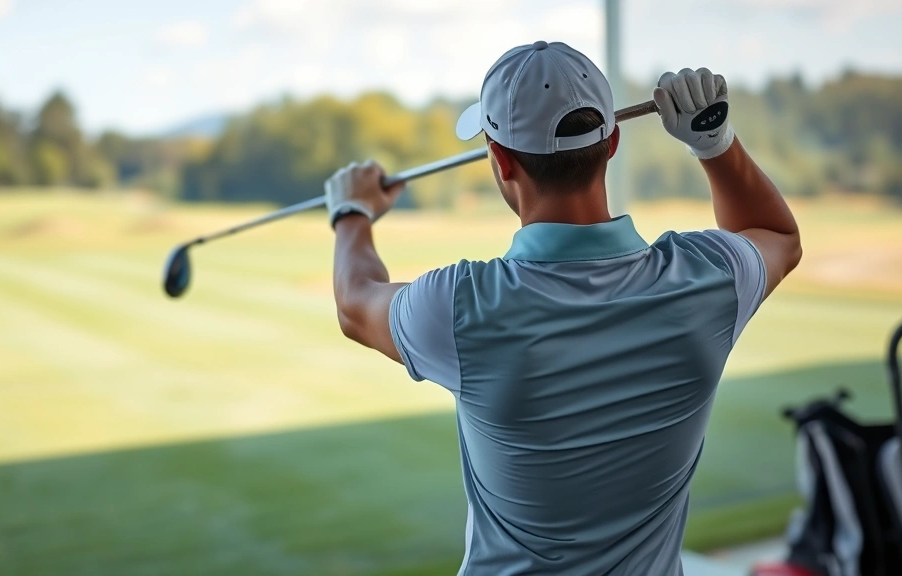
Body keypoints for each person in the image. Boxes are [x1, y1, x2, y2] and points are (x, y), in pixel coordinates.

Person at [326, 40, 801, 576]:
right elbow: (776, 235)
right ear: (613, 140)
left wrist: (351, 211)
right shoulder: (706, 278)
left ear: (500, 160)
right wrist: (714, 141)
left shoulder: (462, 306)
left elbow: (355, 303)